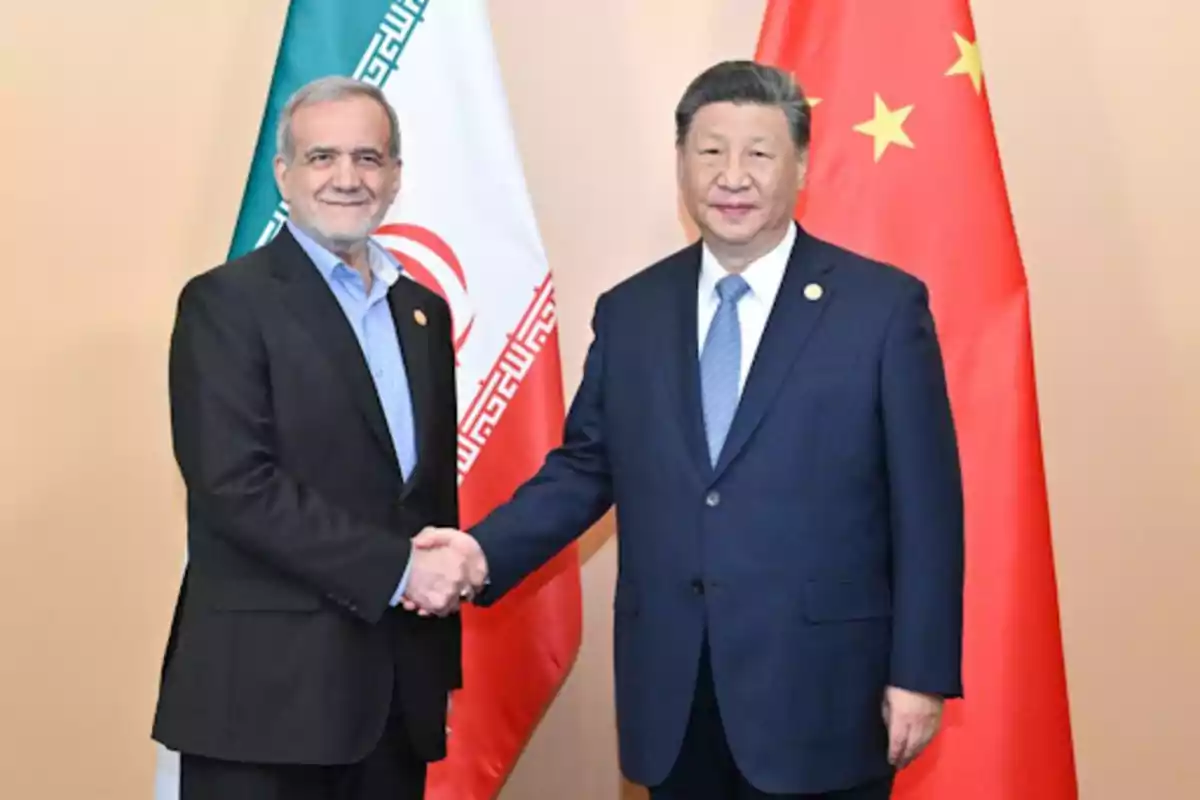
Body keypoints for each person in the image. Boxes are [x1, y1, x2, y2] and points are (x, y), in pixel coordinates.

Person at [410, 61, 965, 799]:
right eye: (710, 152)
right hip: (673, 693)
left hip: (825, 692)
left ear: (799, 165)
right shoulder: (632, 311)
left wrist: (920, 673)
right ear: (681, 164)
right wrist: (480, 552)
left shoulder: (881, 309)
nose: (732, 175)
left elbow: (927, 506)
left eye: (759, 153)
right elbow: (585, 469)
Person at [151, 76, 472, 800]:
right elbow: (236, 486)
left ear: (394, 177)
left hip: (396, 697)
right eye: (322, 157)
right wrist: (400, 569)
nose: (347, 178)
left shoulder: (422, 311)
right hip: (265, 702)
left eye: (368, 158)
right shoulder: (225, 302)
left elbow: (424, 494)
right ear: (284, 176)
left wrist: (439, 598)